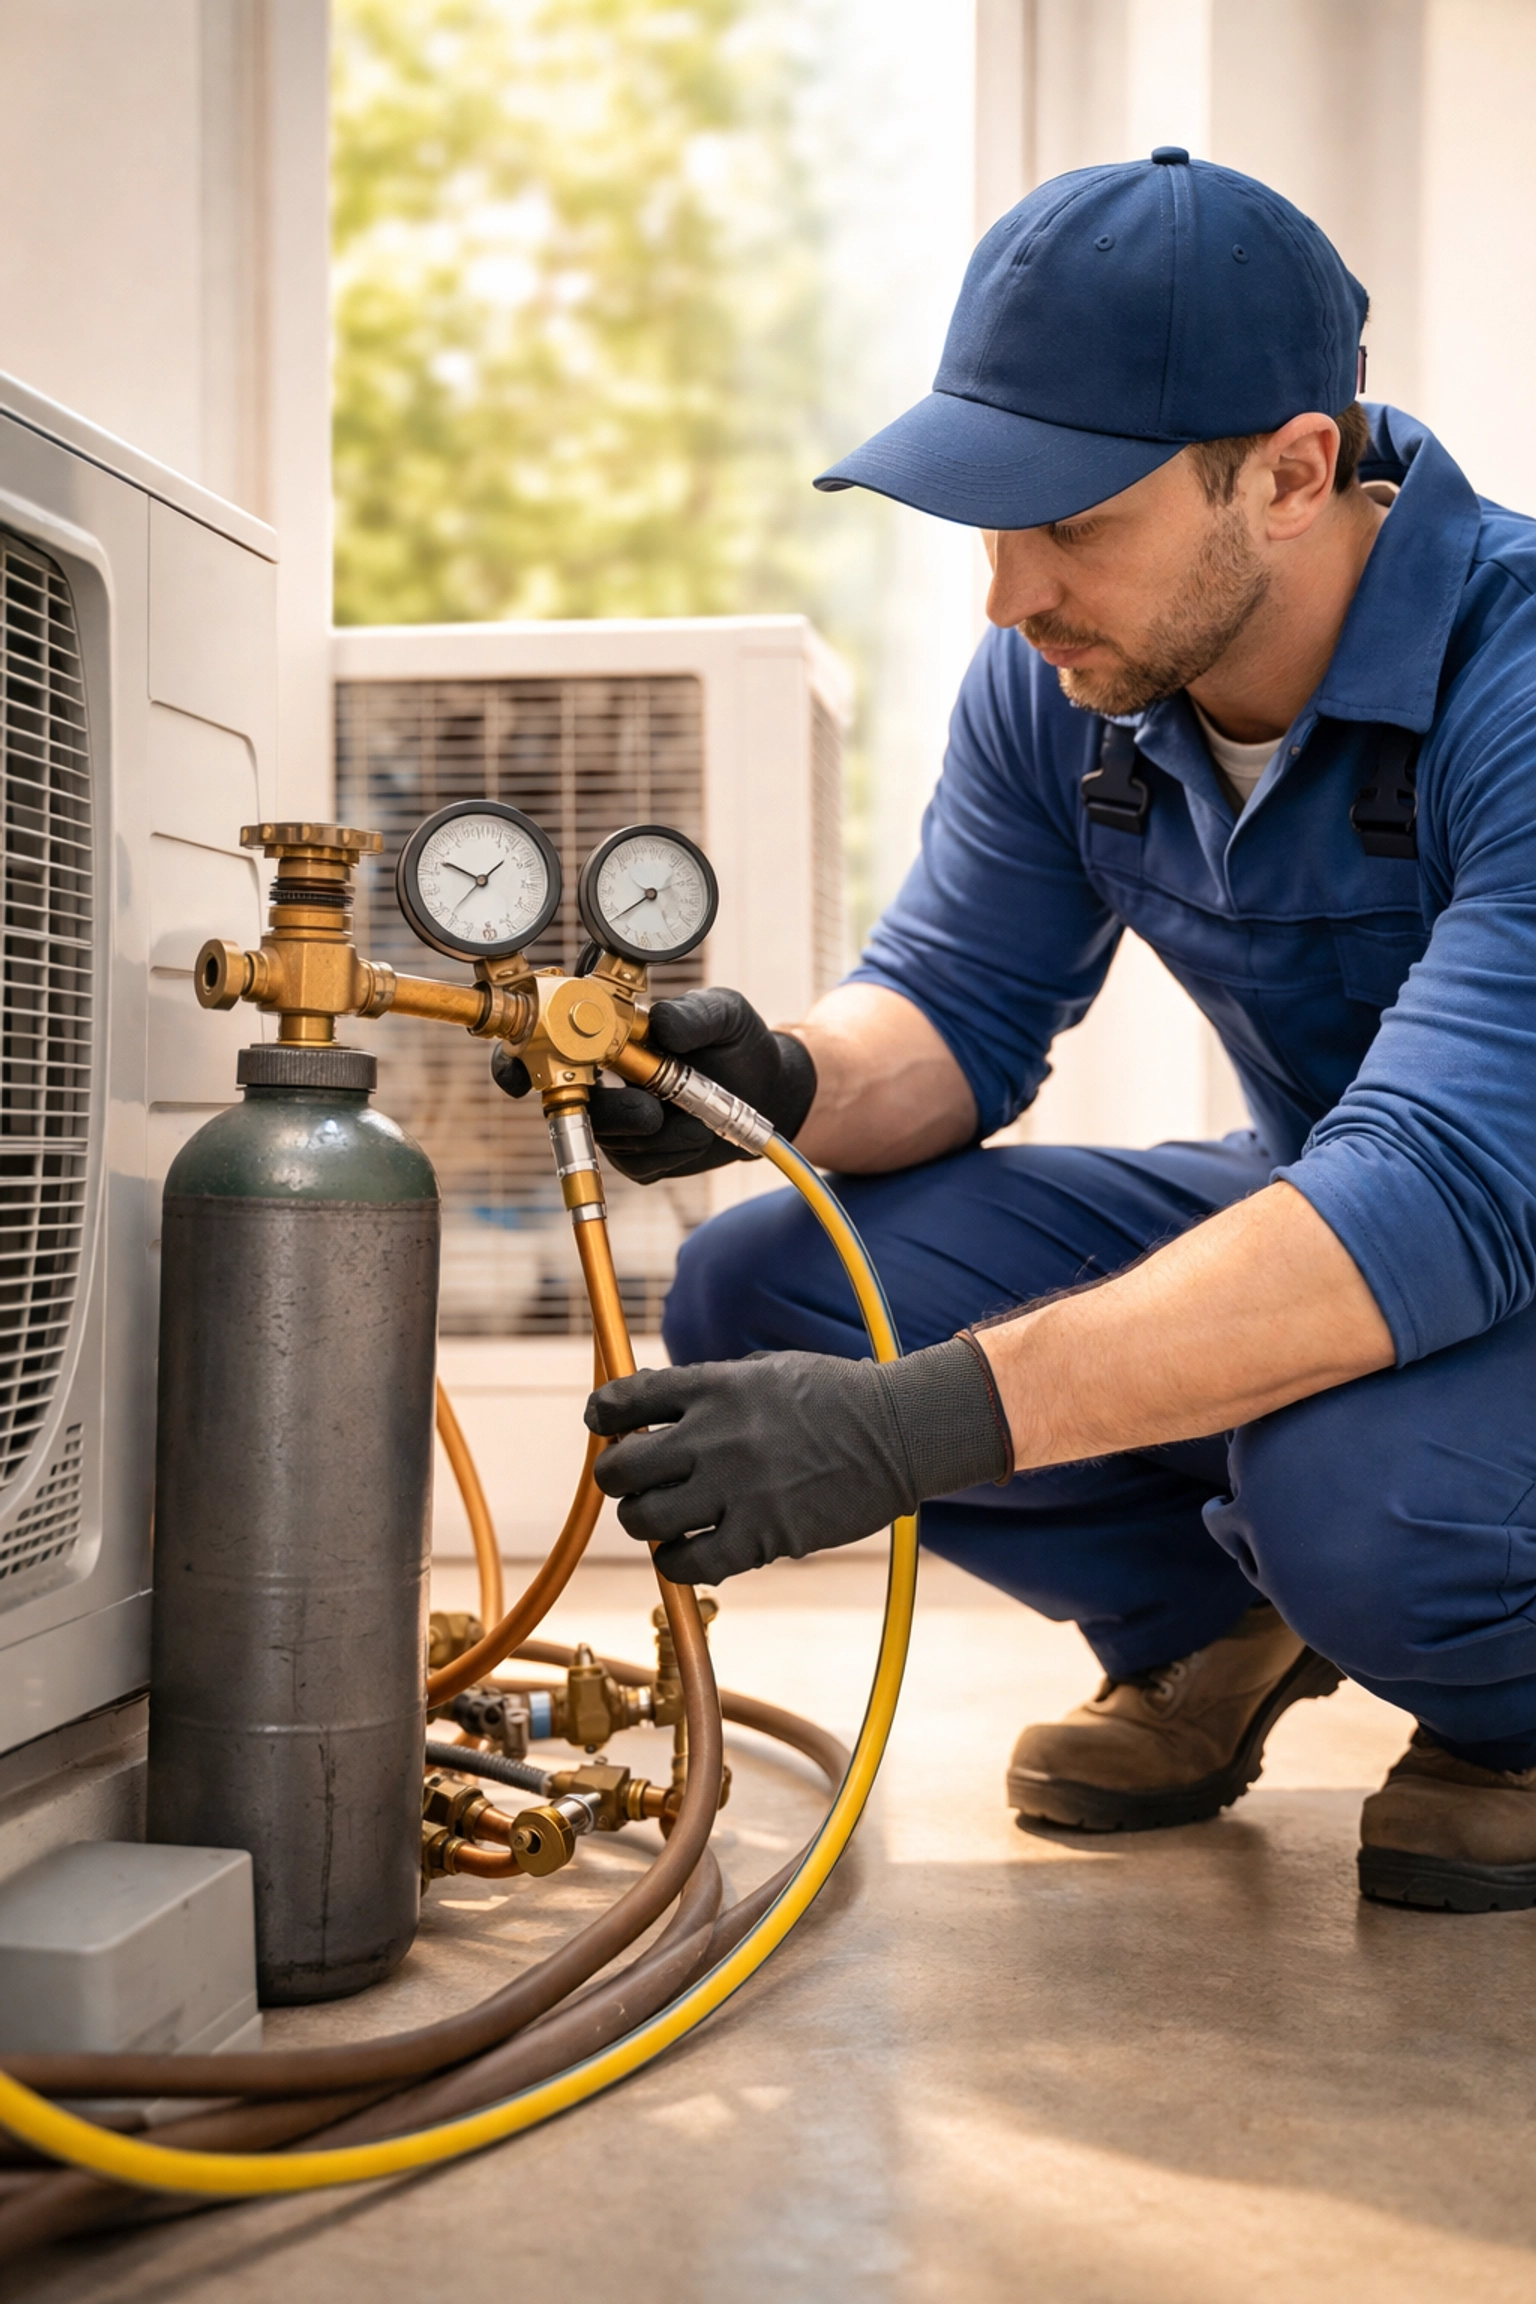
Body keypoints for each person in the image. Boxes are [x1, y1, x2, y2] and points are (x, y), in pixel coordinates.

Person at [569, 151, 1536, 1913]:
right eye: (988, 522)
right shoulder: (1068, 677)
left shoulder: (1518, 680)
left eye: (1073, 522)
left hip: (1480, 1224)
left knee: (1358, 1493)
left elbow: (1442, 1192)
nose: (1008, 595)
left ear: (1294, 473)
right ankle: (1209, 1626)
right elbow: (950, 1008)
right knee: (771, 1282)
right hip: (1341, 1200)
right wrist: (771, 1075)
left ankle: (1511, 1712)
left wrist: (914, 1427)